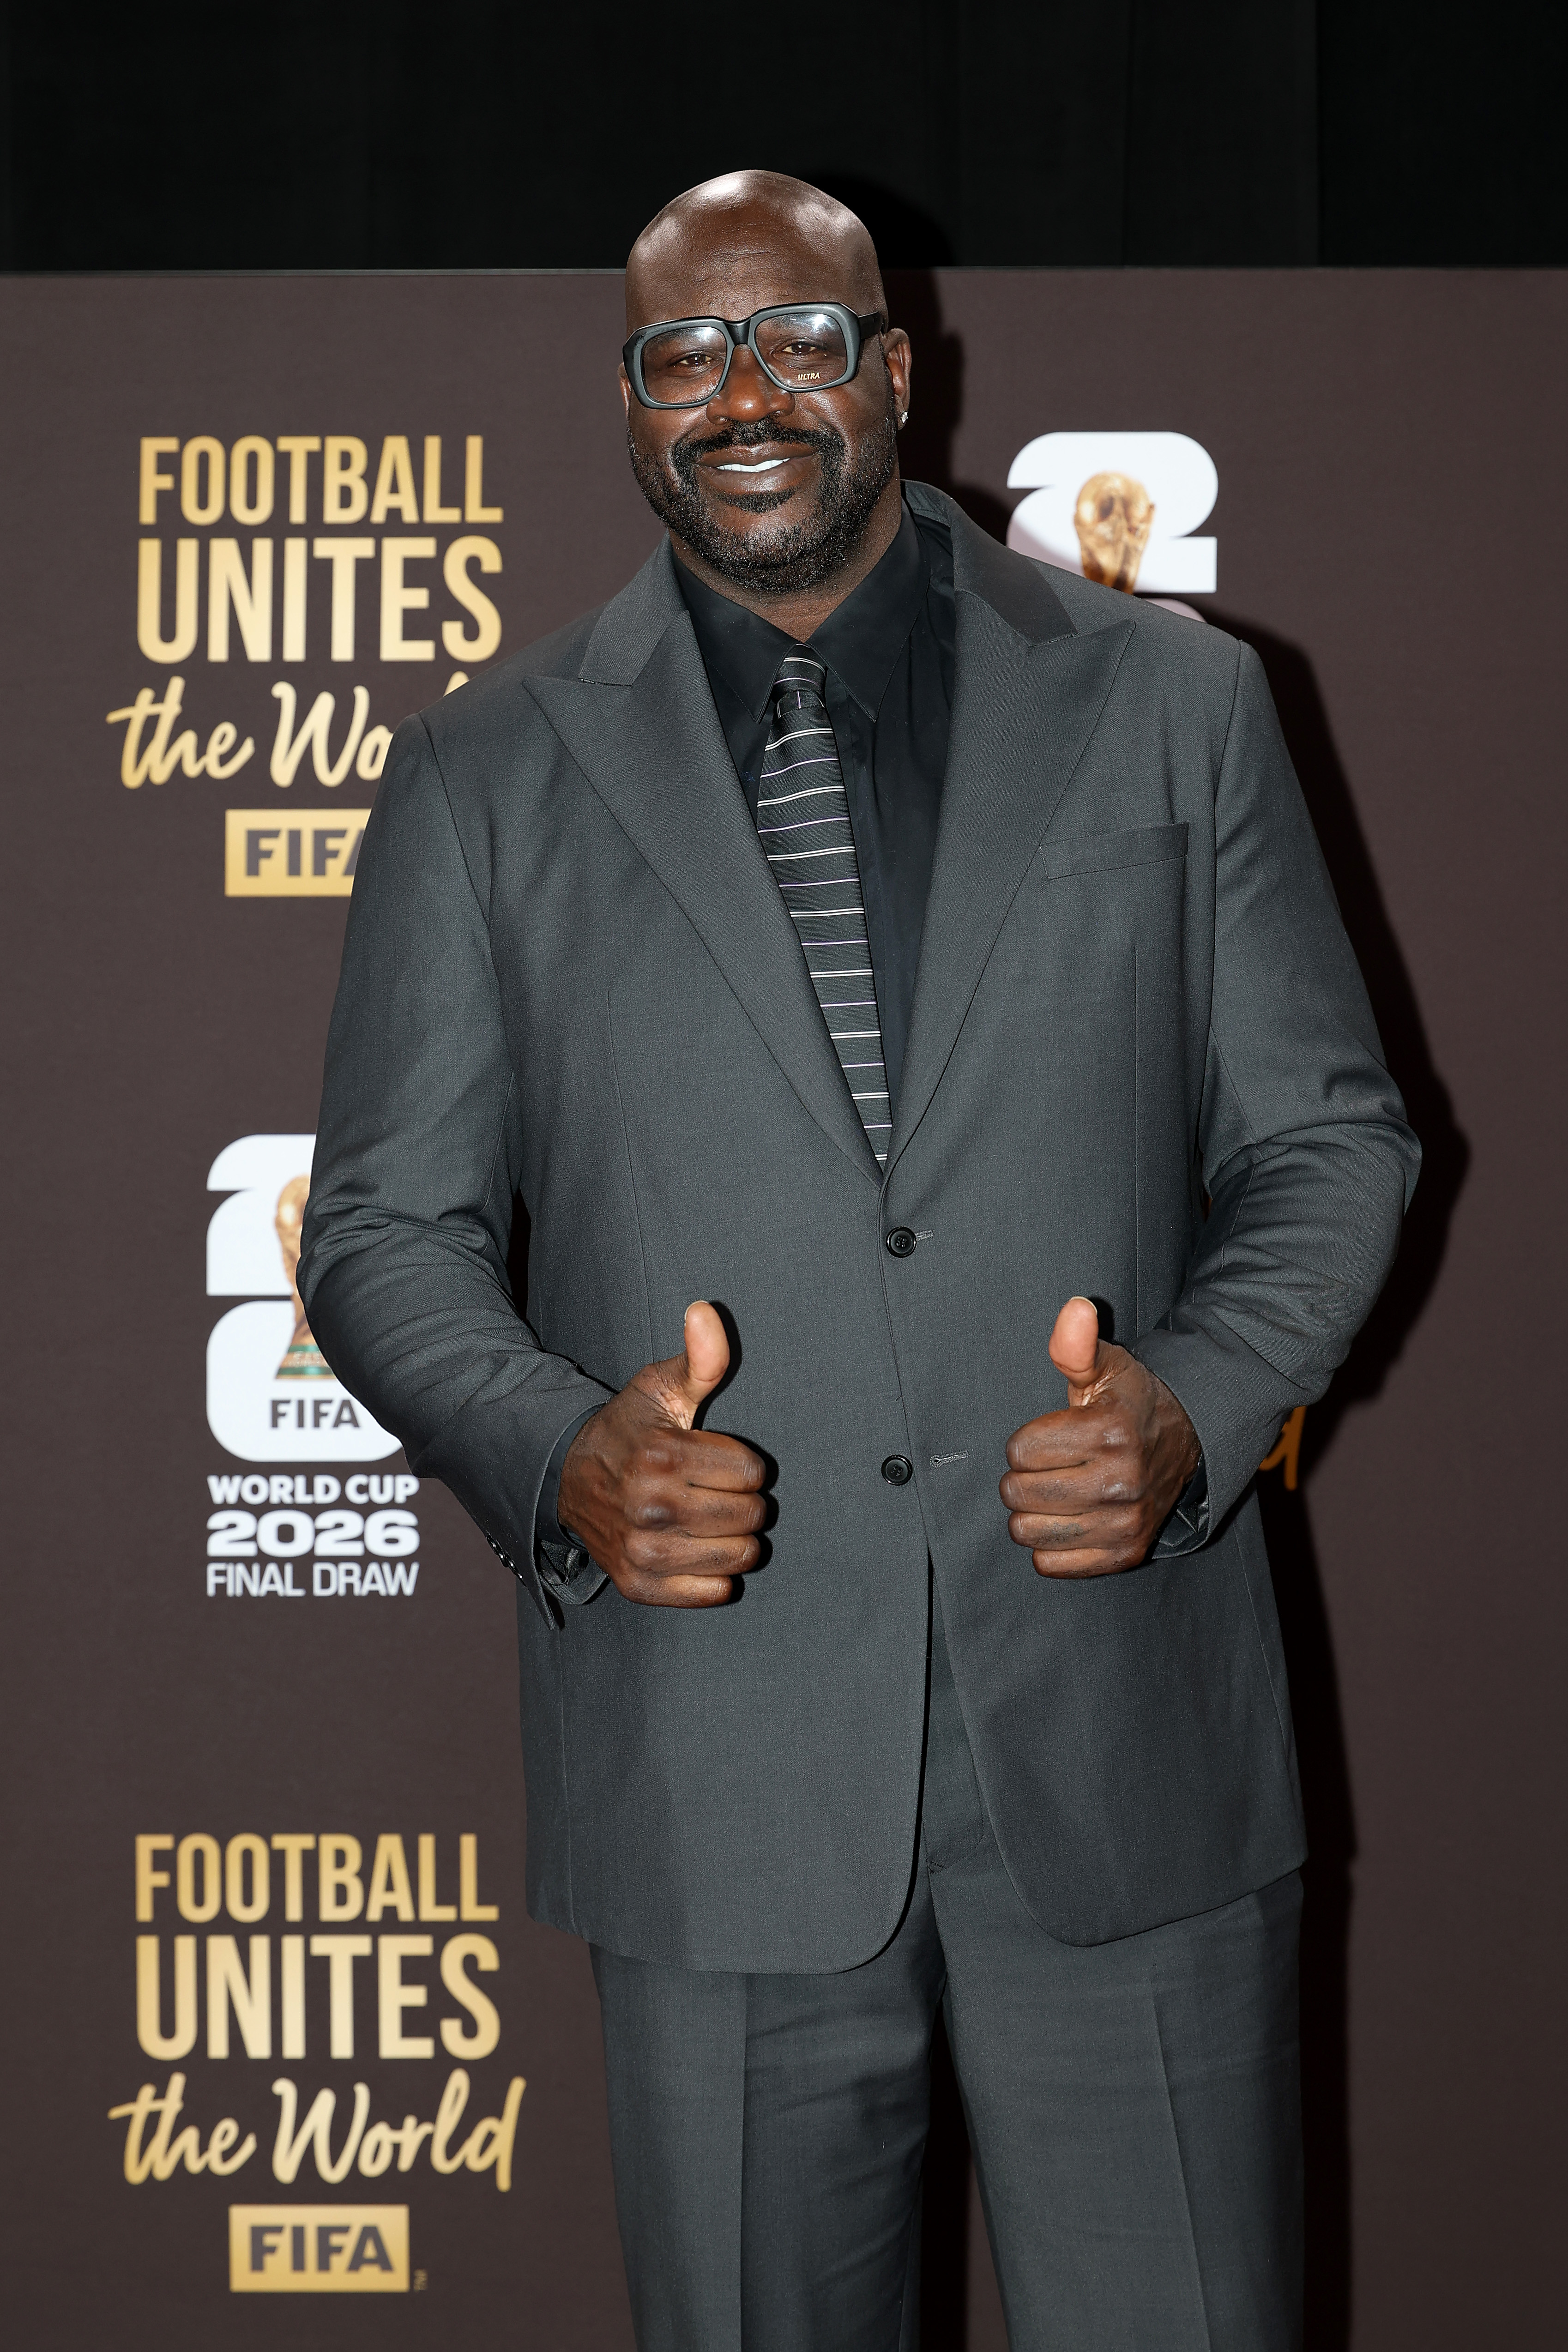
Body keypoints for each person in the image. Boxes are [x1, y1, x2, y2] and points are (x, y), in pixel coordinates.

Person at [301, 171, 1418, 2351]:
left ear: (899, 371)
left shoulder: (1177, 705)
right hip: (717, 1789)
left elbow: (1328, 1139)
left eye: (801, 339)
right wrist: (565, 1453)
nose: (747, 392)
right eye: (684, 354)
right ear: (629, 408)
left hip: (1132, 1758)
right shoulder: (479, 774)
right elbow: (378, 1224)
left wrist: (1194, 1401)